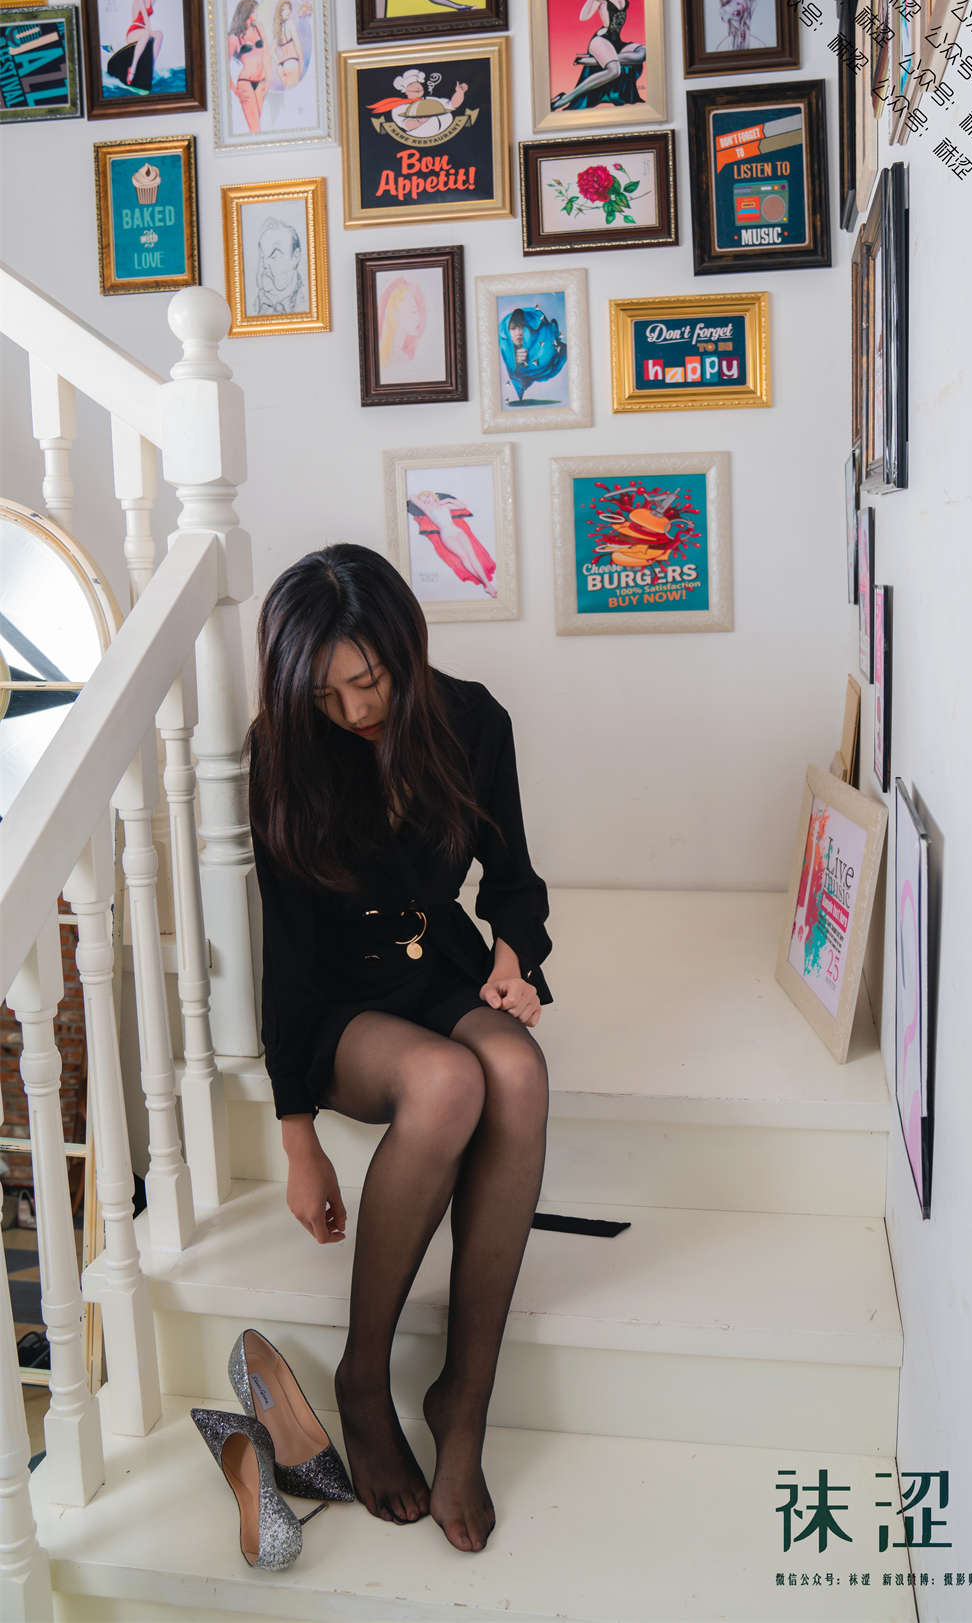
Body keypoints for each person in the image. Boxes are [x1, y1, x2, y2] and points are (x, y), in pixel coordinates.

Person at [247, 544, 552, 1555]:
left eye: (368, 680)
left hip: (437, 964)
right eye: (325, 692)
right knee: (448, 1078)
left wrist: (514, 958)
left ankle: (466, 1393)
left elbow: (513, 880)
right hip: (338, 1002)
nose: (352, 709)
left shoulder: (473, 720)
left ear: (404, 647)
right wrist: (299, 1136)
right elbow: (288, 951)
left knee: (516, 1067)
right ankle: (363, 1378)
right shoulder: (282, 747)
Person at [550, 0, 645, 110]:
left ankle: (596, 61)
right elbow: (583, 16)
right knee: (614, 70)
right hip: (602, 39)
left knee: (643, 53)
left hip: (616, 41)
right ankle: (564, 99)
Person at [106, 0, 161, 93]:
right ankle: (133, 67)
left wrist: (148, 30)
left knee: (159, 34)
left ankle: (151, 66)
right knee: (147, 33)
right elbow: (144, 14)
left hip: (144, 31)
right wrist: (148, 28)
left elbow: (148, 15)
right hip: (134, 30)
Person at [228, 0, 269, 131]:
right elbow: (223, 67)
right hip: (245, 83)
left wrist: (268, 80)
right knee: (254, 127)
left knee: (258, 124)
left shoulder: (259, 28)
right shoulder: (234, 37)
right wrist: (234, 89)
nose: (257, 14)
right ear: (247, 12)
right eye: (255, 11)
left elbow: (267, 54)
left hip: (261, 82)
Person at [272, 0, 302, 89]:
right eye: (285, 9)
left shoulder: (278, 29)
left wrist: (279, 65)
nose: (288, 11)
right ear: (280, 12)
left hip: (283, 67)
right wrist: (302, 63)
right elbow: (298, 45)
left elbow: (272, 50)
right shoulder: (290, 23)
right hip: (293, 63)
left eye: (289, 9)